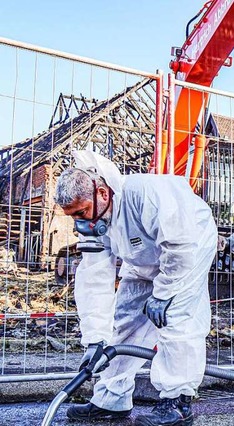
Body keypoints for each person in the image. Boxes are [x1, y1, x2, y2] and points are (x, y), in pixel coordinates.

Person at [54, 150, 217, 426]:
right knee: (125, 321)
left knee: (175, 317)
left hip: (189, 247)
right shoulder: (98, 220)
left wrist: (165, 293)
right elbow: (94, 279)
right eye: (73, 216)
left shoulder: (145, 193)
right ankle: (112, 399)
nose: (80, 223)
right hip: (144, 258)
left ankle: (177, 402)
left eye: (81, 212)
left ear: (102, 193)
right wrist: (95, 339)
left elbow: (180, 244)